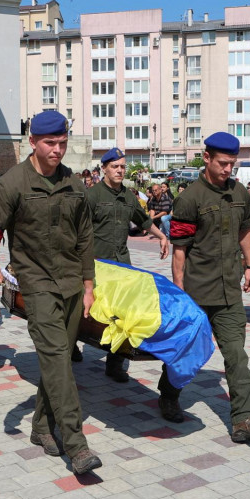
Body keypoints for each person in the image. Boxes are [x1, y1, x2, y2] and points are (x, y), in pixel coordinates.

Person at [0, 110, 102, 475]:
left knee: (55, 361)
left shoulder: (74, 184)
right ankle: (76, 445)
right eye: (50, 144)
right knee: (60, 358)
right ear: (32, 142)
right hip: (37, 285)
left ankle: (42, 425)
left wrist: (89, 286)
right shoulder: (11, 184)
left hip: (73, 285)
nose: (57, 151)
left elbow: (86, 238)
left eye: (62, 143)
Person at [168, 132, 250, 441]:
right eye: (223, 163)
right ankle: (168, 395)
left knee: (236, 355)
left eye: (233, 164)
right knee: (186, 352)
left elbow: (245, 232)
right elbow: (179, 251)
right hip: (197, 289)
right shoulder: (190, 198)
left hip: (229, 288)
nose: (228, 170)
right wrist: (179, 293)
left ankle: (244, 420)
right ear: (207, 158)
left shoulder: (239, 192)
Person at [85, 148, 168, 384]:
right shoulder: (92, 196)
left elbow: (143, 220)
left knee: (123, 316)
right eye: (115, 166)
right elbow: (78, 230)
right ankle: (71, 346)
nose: (120, 170)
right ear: (104, 169)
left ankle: (115, 363)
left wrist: (161, 236)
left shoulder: (128, 196)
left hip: (122, 265)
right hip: (97, 265)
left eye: (122, 166)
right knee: (91, 312)